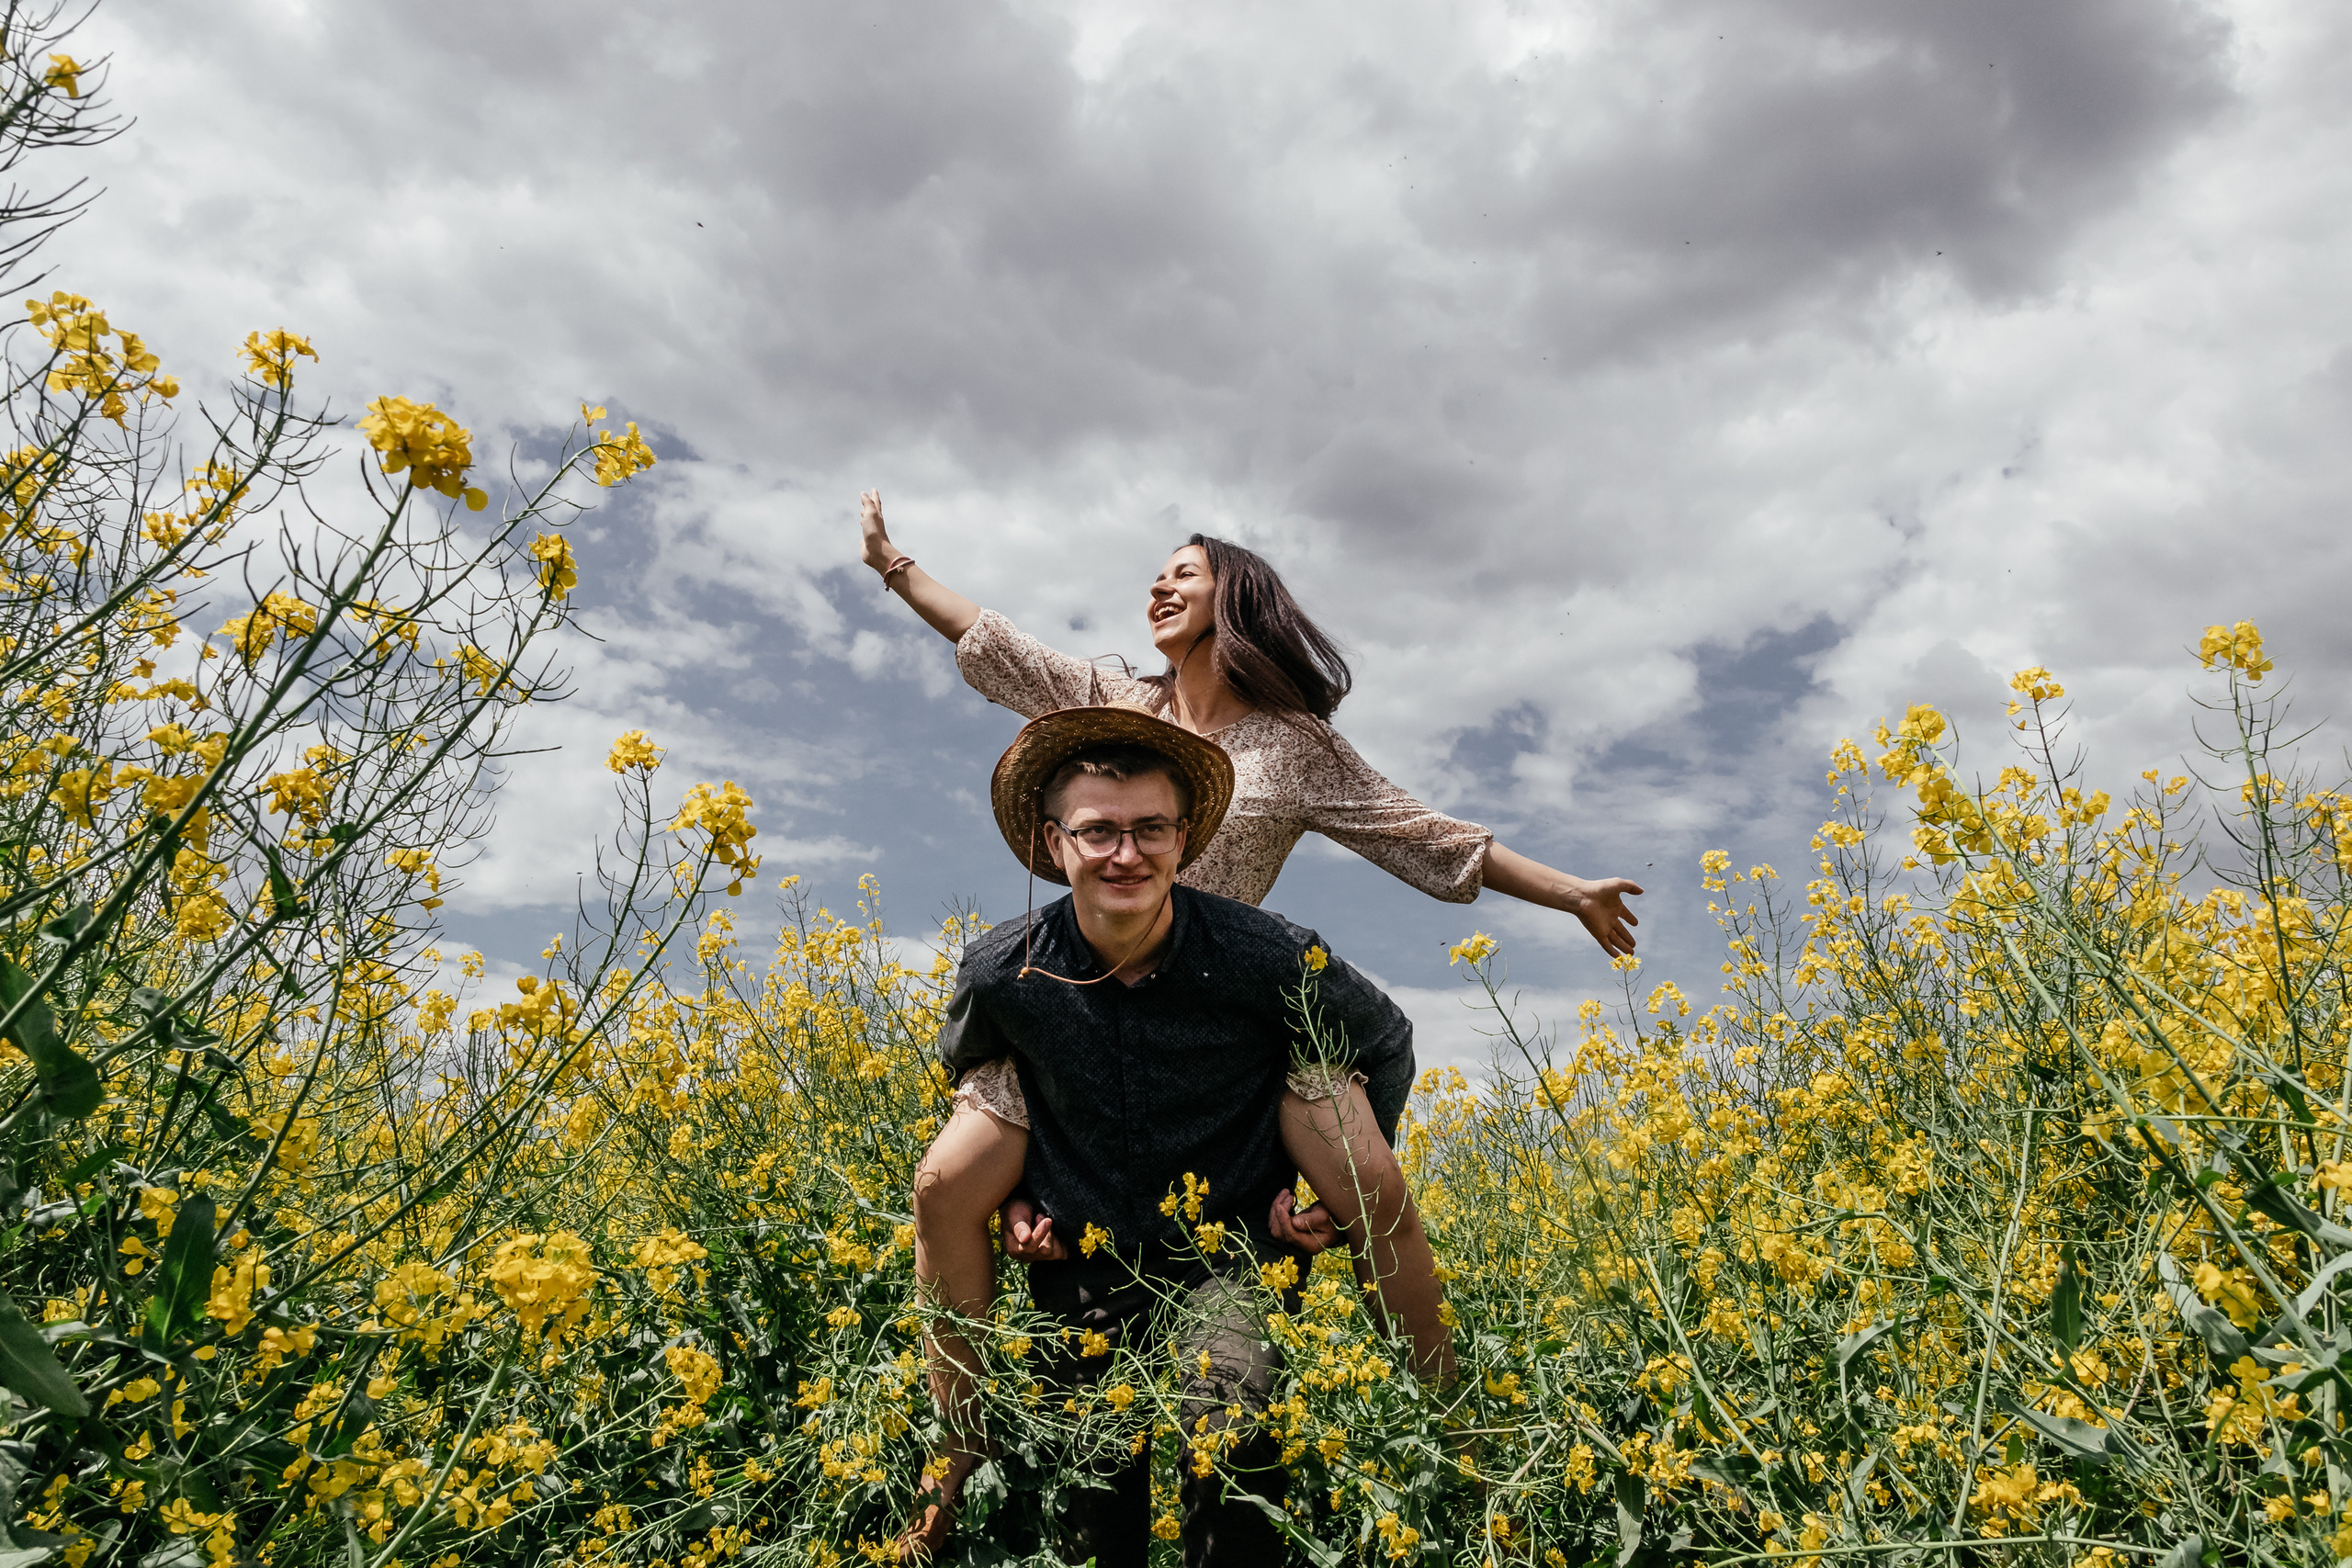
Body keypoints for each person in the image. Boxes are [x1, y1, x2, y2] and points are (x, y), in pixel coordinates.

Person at [915, 703, 1445, 1565]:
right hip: (1083, 1258)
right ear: (1056, 845)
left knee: (1232, 1427)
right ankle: (953, 1464)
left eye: (1149, 829)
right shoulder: (1002, 970)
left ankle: (1453, 1435)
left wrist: (1326, 1189)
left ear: (1184, 837)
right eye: (1099, 832)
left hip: (1231, 1247)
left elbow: (1385, 1043)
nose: (1125, 853)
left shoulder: (1267, 955)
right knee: (1091, 1491)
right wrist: (1010, 1194)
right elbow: (972, 1075)